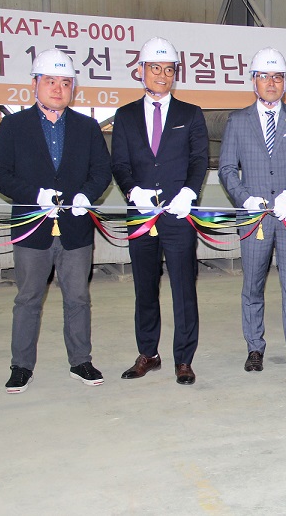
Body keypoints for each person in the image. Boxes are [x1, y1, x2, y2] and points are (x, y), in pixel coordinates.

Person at [0, 49, 111, 393]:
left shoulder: (87, 127)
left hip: (75, 229)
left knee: (78, 298)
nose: (58, 88)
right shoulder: (14, 126)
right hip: (32, 228)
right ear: (35, 83)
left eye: (66, 82)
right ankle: (21, 366)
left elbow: (101, 171)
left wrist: (87, 195)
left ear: (73, 88)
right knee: (28, 298)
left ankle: (81, 361)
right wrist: (34, 195)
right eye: (51, 81)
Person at [218, 47, 286, 372]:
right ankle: (254, 348)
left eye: (277, 76)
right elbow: (226, 168)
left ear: (284, 82)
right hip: (255, 218)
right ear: (254, 80)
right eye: (264, 76)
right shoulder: (238, 121)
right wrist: (244, 198)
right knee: (253, 286)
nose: (271, 82)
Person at [111, 37, 209, 385]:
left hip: (178, 214)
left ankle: (184, 359)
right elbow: (119, 163)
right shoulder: (125, 115)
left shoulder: (190, 113)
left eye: (169, 70)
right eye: (155, 68)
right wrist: (131, 190)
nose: (162, 75)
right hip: (141, 214)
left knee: (183, 288)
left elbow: (199, 159)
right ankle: (148, 354)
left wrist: (188, 192)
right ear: (141, 71)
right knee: (145, 287)